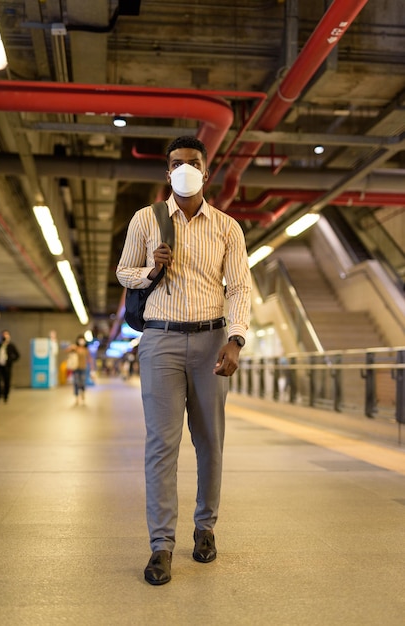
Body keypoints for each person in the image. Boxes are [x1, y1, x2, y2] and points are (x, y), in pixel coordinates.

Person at [116, 136, 251, 585]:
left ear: (206, 172)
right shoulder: (145, 220)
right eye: (177, 163)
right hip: (160, 341)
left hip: (213, 341)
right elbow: (123, 271)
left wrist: (236, 339)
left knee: (210, 441)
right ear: (167, 172)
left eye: (193, 162)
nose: (184, 169)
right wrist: (150, 270)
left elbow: (239, 288)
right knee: (162, 446)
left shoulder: (228, 227)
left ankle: (205, 527)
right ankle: (161, 546)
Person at [0, 330, 20, 403]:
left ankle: (5, 396)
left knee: (7, 381)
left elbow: (17, 355)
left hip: (7, 367)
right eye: (3, 335)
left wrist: (10, 360)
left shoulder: (11, 346)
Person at [65, 334, 93, 405]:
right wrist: (71, 347)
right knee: (76, 382)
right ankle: (77, 397)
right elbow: (66, 351)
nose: (81, 341)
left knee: (82, 382)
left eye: (82, 340)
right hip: (75, 367)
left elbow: (89, 358)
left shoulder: (86, 349)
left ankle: (83, 393)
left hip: (83, 367)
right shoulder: (75, 348)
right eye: (80, 339)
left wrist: (92, 368)